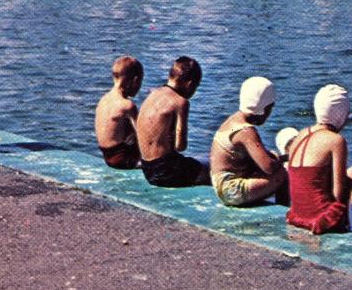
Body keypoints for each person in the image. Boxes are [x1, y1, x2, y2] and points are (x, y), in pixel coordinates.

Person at [209, 77, 288, 206]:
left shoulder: (232, 120)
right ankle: (285, 210)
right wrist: (281, 160)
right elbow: (268, 167)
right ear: (263, 107)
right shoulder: (246, 131)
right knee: (282, 174)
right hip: (232, 191)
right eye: (269, 108)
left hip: (221, 187)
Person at [285, 84, 351, 234]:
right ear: (341, 114)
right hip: (320, 217)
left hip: (298, 213)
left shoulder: (301, 134)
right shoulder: (336, 140)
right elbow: (338, 193)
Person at [136, 56, 210, 187]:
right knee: (216, 168)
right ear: (190, 84)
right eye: (196, 87)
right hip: (167, 172)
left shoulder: (153, 94)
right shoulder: (181, 102)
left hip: (147, 170)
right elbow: (180, 146)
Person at [94, 56, 144, 169]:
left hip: (108, 157)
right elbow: (143, 136)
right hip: (124, 160)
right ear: (135, 81)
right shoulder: (127, 105)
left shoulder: (104, 99)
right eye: (140, 82)